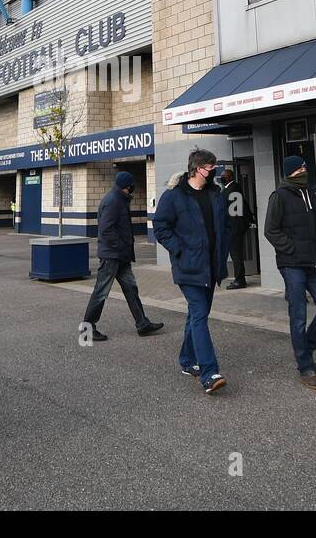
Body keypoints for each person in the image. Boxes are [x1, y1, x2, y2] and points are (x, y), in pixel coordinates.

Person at [153, 148, 231, 395]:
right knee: (199, 315)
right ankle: (209, 373)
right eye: (211, 167)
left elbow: (222, 227)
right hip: (188, 267)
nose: (215, 171)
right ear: (198, 169)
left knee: (197, 315)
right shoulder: (174, 196)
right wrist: (179, 250)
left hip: (210, 268)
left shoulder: (215, 195)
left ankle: (187, 360)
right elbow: (161, 227)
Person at [264, 155, 316, 391]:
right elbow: (270, 230)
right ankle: (305, 366)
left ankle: (306, 349)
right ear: (291, 171)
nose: (305, 170)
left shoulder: (313, 194)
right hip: (292, 264)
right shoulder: (279, 196)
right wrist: (292, 250)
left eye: (306, 166)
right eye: (301, 167)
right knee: (299, 315)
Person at [82, 172, 163, 341]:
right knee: (101, 292)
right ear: (127, 185)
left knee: (131, 289)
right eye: (132, 184)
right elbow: (106, 230)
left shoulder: (118, 199)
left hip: (120, 255)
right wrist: (120, 246)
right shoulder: (113, 201)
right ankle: (87, 330)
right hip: (113, 255)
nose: (133, 186)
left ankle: (142, 323)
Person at [219, 169, 255, 289]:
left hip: (234, 228)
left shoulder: (232, 189)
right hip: (236, 227)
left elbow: (233, 212)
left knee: (236, 254)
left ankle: (240, 280)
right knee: (236, 254)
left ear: (230, 177)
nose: (221, 178)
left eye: (224, 176)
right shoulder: (234, 188)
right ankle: (239, 279)